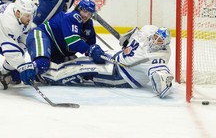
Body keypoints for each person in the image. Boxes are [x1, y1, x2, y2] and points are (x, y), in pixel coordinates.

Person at [0, 0, 106, 89]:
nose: (86, 15)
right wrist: (90, 50)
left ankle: (11, 76)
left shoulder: (88, 26)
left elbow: (91, 48)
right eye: (84, 11)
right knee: (42, 63)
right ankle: (15, 72)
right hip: (41, 35)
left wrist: (96, 53)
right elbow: (73, 43)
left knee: (60, 72)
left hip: (58, 52)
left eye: (89, 13)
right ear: (78, 9)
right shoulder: (72, 17)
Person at [35, 25, 174, 99]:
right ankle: (53, 67)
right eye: (155, 37)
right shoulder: (147, 30)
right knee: (83, 61)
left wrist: (164, 83)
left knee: (81, 69)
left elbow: (161, 79)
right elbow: (132, 35)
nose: (155, 41)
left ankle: (44, 74)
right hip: (116, 57)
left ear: (164, 44)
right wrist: (127, 39)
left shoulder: (159, 57)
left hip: (123, 76)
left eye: (160, 41)